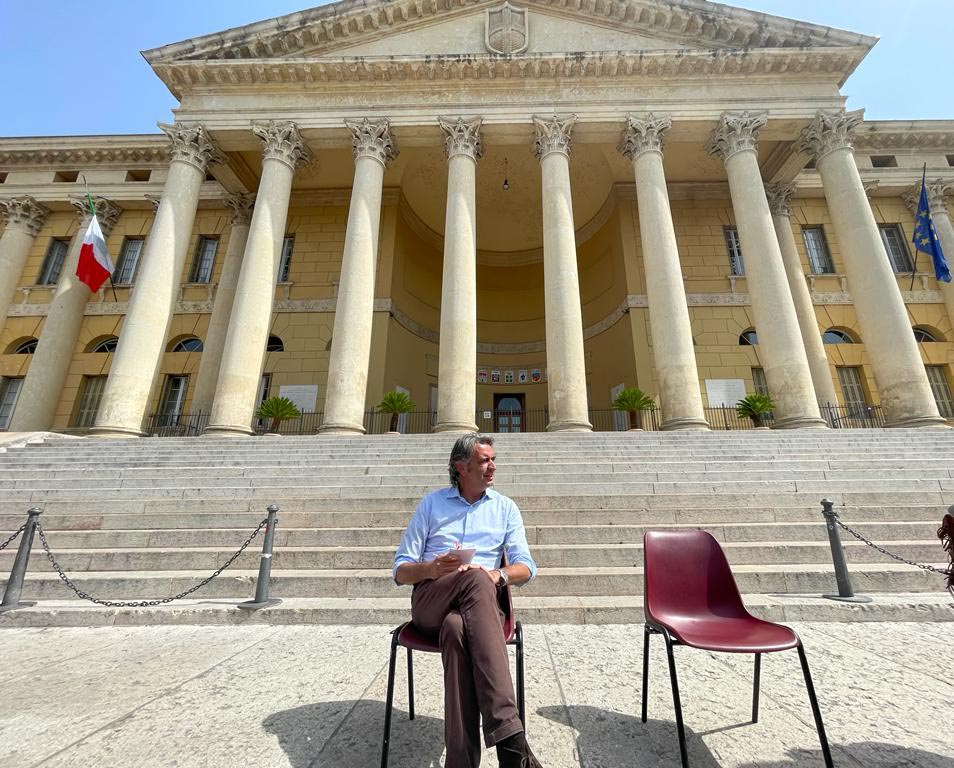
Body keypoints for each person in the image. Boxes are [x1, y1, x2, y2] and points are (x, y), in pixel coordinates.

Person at [393, 434, 542, 768]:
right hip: (432, 599)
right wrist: (430, 568)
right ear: (461, 467)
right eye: (485, 460)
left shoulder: (504, 508)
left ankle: (460, 763)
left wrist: (497, 576)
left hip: (479, 609)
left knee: (456, 628)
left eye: (493, 459)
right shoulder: (432, 505)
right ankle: (511, 741)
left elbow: (526, 567)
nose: (492, 467)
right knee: (473, 579)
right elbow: (400, 570)